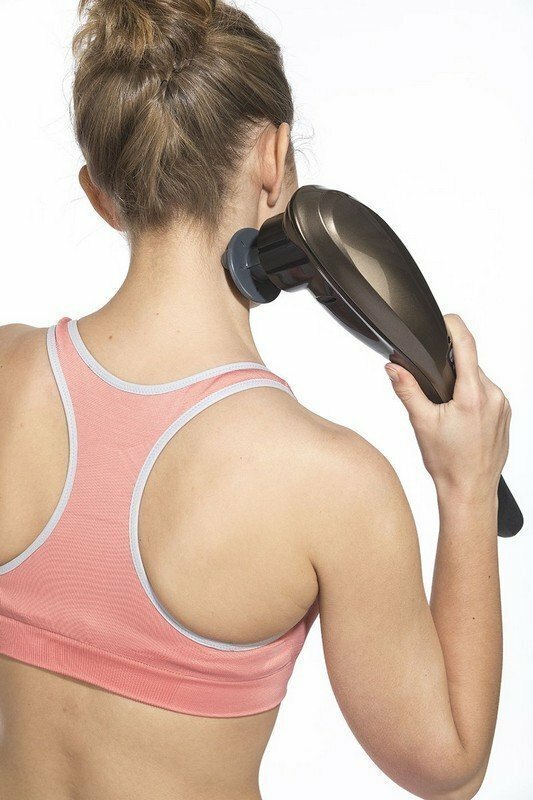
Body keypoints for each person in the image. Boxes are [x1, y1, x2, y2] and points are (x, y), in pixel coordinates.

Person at [0, 1, 511, 799]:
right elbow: (448, 768)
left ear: (100, 192)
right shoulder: (330, 481)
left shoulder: (6, 372)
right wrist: (466, 486)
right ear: (273, 158)